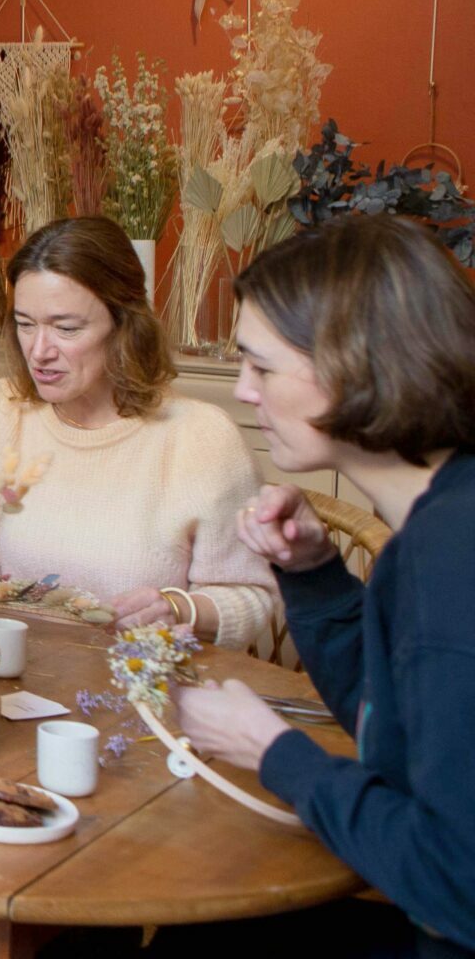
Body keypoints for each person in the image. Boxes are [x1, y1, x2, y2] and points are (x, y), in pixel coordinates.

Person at [174, 216, 475, 956]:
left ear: (355, 363)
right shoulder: (439, 523)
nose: (244, 392)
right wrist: (313, 576)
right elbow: (394, 727)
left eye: (262, 367)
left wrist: (275, 751)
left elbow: (457, 881)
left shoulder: (453, 557)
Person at [0, 217, 276, 649]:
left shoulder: (202, 439)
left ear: (124, 325)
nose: (39, 352)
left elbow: (252, 598)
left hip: (141, 690)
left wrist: (178, 608)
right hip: (10, 673)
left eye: (66, 329)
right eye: (26, 324)